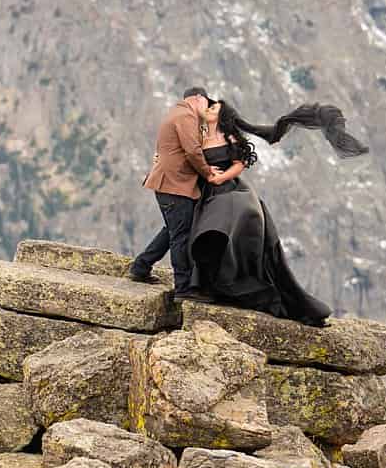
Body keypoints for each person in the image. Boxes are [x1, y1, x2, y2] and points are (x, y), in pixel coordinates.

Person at [185, 98, 371, 326]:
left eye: (214, 108)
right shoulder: (199, 135)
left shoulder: (229, 137)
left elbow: (240, 163)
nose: (209, 109)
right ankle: (208, 281)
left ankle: (233, 280)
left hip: (228, 189)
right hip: (207, 191)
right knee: (208, 229)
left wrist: (221, 176)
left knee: (230, 219)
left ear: (221, 116)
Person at [131, 86, 211, 292]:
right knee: (180, 236)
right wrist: (209, 172)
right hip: (175, 187)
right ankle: (183, 288)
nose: (208, 106)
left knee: (172, 230)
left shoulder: (177, 113)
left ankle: (141, 266)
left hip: (168, 185)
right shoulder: (186, 115)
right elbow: (193, 151)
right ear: (199, 99)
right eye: (206, 103)